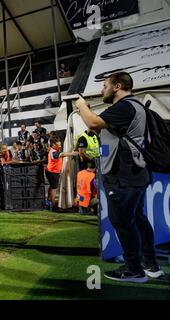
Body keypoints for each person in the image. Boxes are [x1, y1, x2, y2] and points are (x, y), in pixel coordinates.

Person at [75, 71, 163, 283]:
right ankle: (149, 265)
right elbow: (106, 134)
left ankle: (134, 269)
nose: (102, 90)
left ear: (118, 86)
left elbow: (94, 123)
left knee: (123, 221)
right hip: (133, 173)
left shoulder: (125, 106)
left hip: (124, 175)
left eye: (105, 85)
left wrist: (81, 106)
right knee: (138, 219)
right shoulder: (133, 107)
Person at [45, 137, 78, 211]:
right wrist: (73, 154)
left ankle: (48, 202)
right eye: (58, 144)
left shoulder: (53, 150)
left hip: (50, 171)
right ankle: (53, 206)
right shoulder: (54, 152)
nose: (60, 145)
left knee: (52, 187)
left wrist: (71, 150)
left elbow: (63, 153)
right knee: (54, 189)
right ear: (53, 145)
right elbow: (62, 154)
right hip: (53, 172)